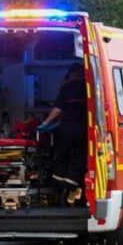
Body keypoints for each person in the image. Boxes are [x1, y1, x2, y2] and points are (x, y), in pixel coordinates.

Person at [38, 63, 87, 204]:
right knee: (78, 160)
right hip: (83, 130)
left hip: (66, 130)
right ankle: (70, 188)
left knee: (61, 157)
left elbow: (58, 109)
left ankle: (58, 190)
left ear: (71, 74)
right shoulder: (89, 87)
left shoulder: (67, 87)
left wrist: (46, 123)